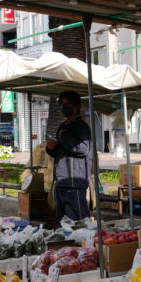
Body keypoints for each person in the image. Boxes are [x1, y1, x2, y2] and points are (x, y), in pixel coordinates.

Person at [45, 90, 92, 223]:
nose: (64, 107)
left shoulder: (82, 127)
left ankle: (81, 243)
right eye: (62, 104)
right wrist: (51, 148)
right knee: (63, 223)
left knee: (77, 222)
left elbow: (82, 149)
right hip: (61, 181)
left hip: (74, 183)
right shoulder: (62, 127)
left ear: (77, 107)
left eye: (68, 104)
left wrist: (64, 137)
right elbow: (62, 152)